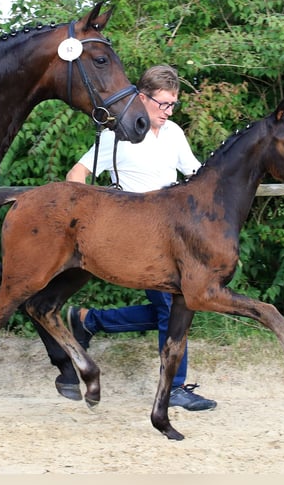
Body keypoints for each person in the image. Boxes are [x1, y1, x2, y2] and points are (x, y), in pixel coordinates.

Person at [65, 64, 217, 412]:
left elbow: (195, 175)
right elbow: (78, 173)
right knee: (174, 305)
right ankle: (176, 387)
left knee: (172, 307)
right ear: (142, 97)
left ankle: (90, 320)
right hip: (136, 235)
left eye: (173, 104)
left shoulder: (175, 132)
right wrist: (82, 223)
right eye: (162, 104)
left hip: (173, 234)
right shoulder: (117, 134)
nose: (168, 112)